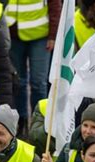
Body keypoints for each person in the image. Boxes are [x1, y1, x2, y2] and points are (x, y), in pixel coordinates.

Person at [7, 0, 62, 136]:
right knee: (18, 82)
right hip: (13, 35)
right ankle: (21, 121)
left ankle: (40, 122)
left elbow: (55, 6)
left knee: (38, 83)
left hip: (40, 36)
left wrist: (53, 35)